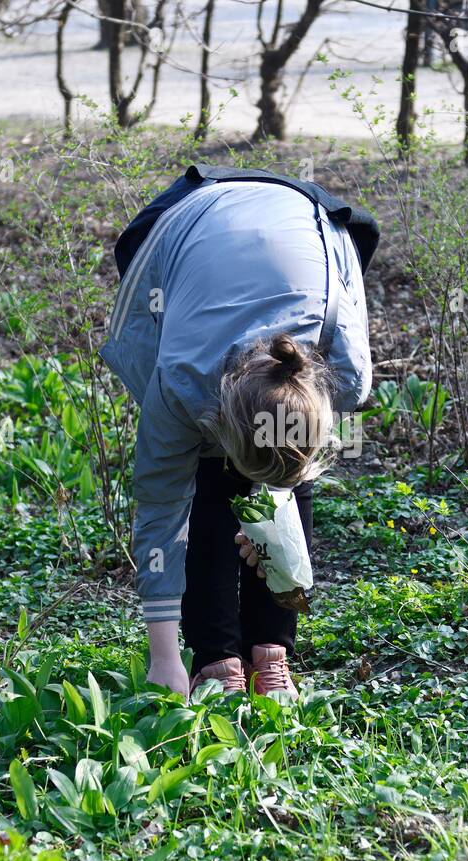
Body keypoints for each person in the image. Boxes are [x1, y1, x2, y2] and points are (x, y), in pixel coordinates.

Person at [101, 165, 378, 699]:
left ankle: (270, 650)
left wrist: (272, 510)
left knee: (285, 471)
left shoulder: (342, 374)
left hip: (311, 229)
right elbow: (162, 512)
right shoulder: (182, 382)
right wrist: (163, 656)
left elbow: (283, 453)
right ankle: (215, 659)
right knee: (205, 477)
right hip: (184, 228)